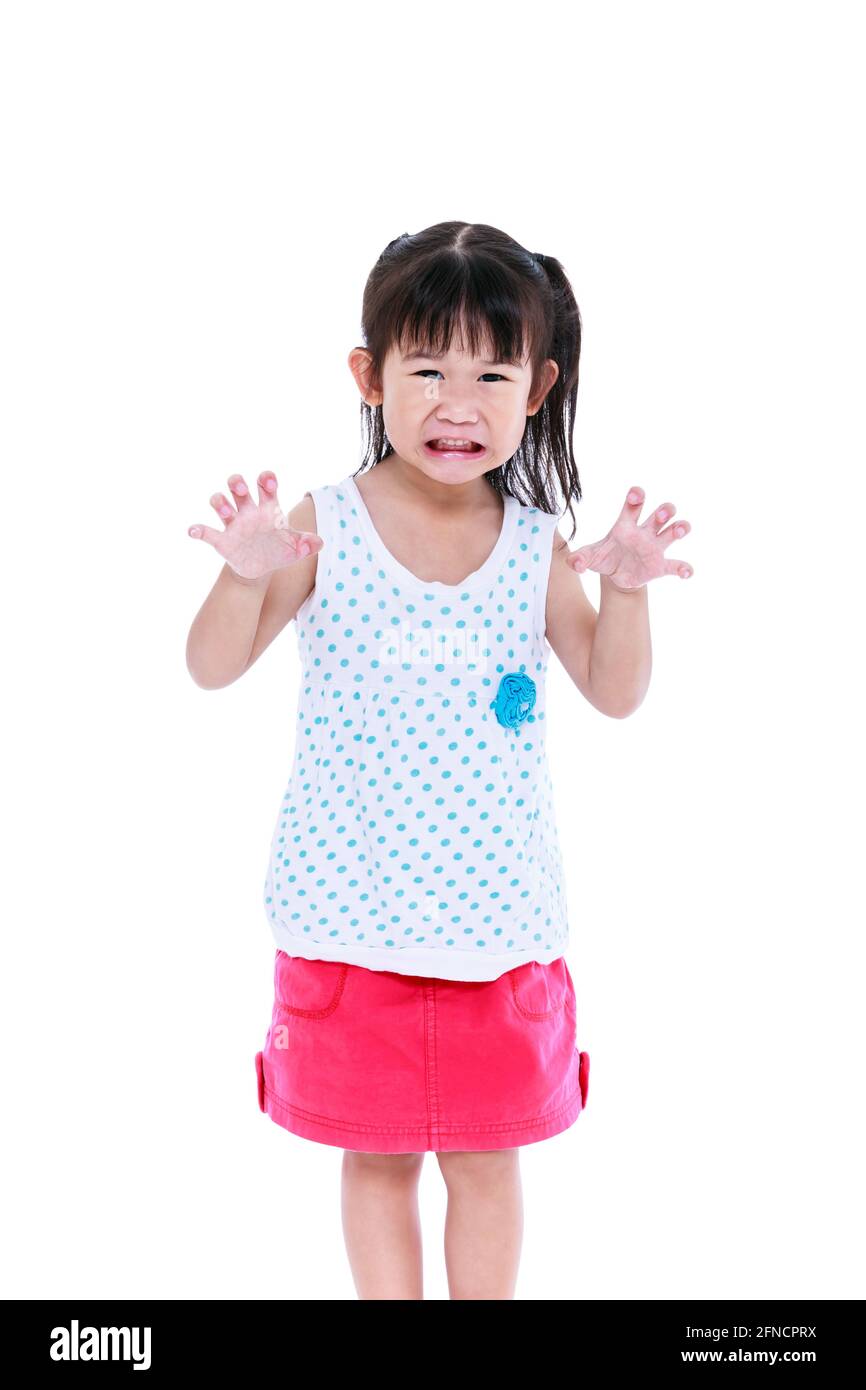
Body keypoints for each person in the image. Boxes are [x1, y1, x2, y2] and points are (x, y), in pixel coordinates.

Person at [185, 221, 693, 1300]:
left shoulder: (532, 543)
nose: (455, 404)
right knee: (373, 1155)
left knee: (483, 1154)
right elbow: (210, 668)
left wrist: (630, 592)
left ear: (538, 387)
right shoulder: (322, 523)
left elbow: (612, 688)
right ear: (370, 376)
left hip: (493, 924)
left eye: (490, 373)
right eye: (425, 370)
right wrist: (240, 576)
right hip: (346, 916)